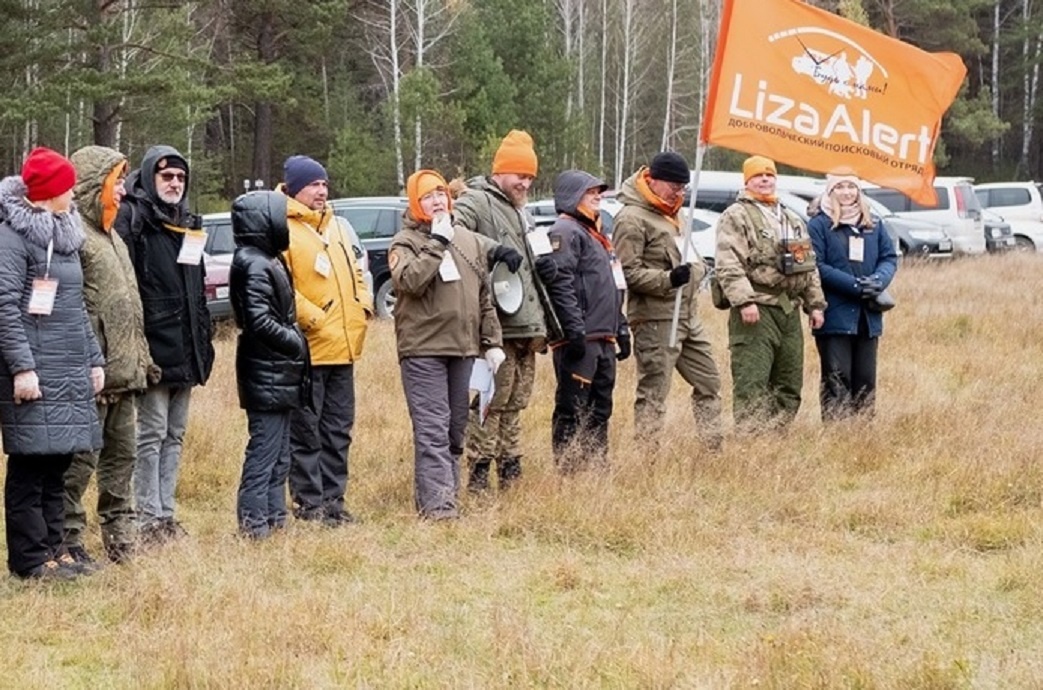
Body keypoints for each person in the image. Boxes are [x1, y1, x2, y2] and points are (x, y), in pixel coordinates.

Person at [0, 147, 105, 580]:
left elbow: (75, 307)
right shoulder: (11, 238)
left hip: (67, 369)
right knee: (30, 464)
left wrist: (94, 360)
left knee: (57, 462)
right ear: (46, 194)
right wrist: (22, 368)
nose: (74, 194)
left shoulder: (65, 235)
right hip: (35, 373)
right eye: (67, 187)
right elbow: (4, 307)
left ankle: (54, 549)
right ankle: (29, 560)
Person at [389, 170, 504, 519]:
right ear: (415, 202)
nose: (437, 200)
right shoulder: (404, 242)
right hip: (423, 349)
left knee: (455, 429)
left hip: (464, 348)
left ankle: (444, 497)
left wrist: (493, 342)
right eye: (428, 196)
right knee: (432, 429)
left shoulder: (466, 240)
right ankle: (439, 510)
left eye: (441, 193)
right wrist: (436, 243)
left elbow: (483, 295)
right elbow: (409, 281)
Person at [116, 145, 215, 543]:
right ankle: (146, 518)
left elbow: (197, 289)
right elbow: (125, 290)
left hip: (186, 347)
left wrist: (203, 342)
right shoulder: (135, 221)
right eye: (166, 177)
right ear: (150, 178)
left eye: (180, 177)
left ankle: (166, 516)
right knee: (151, 434)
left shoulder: (188, 223)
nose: (174, 183)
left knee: (175, 435)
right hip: (154, 348)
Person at [63, 146, 151, 567]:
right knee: (79, 465)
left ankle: (121, 538)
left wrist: (142, 359)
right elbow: (74, 309)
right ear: (93, 185)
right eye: (115, 181)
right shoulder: (72, 236)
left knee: (123, 463)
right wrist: (88, 362)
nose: (121, 190)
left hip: (126, 376)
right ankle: (67, 540)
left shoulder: (113, 235)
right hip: (93, 379)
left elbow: (130, 306)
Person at [280, 155, 372, 526]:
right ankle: (310, 505)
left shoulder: (335, 226)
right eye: (314, 184)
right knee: (307, 433)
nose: (321, 191)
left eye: (324, 184)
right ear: (295, 188)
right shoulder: (283, 226)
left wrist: (362, 303)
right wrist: (313, 318)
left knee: (337, 430)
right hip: (310, 349)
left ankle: (335, 501)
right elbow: (282, 286)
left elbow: (357, 269)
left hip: (344, 347)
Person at [455, 129, 547, 492]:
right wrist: (494, 249)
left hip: (524, 325)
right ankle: (479, 475)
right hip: (495, 326)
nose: (525, 183)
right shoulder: (477, 201)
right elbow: (453, 232)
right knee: (488, 401)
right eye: (519, 175)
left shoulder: (518, 211)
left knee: (514, 403)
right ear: (500, 172)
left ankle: (510, 470)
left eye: (529, 177)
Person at [613, 152, 722, 450]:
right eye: (674, 186)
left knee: (710, 382)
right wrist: (668, 280)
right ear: (654, 180)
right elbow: (627, 274)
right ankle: (647, 458)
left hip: (688, 316)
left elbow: (694, 258)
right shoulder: (631, 218)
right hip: (655, 319)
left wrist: (696, 271)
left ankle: (712, 451)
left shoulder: (675, 214)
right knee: (654, 392)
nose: (679, 193)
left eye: (683, 187)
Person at [715, 155, 826, 430]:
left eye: (769, 175)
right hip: (757, 308)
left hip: (788, 310)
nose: (765, 180)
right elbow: (728, 262)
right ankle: (751, 445)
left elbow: (807, 265)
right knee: (752, 381)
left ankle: (776, 441)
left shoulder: (789, 217)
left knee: (789, 383)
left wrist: (815, 304)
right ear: (747, 180)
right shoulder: (736, 215)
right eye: (758, 176)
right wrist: (744, 301)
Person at [534, 170, 629, 472]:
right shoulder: (566, 231)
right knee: (572, 407)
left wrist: (621, 326)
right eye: (591, 192)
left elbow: (613, 286)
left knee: (601, 408)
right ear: (573, 196)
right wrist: (572, 329)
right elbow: (560, 284)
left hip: (603, 336)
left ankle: (596, 468)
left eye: (599, 192)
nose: (597, 196)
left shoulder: (597, 235)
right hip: (581, 338)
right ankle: (569, 470)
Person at [229, 191, 310, 538]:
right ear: (264, 220)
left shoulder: (265, 258)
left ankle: (275, 520)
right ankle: (254, 526)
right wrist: (295, 342)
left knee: (279, 454)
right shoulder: (254, 262)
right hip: (268, 370)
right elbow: (258, 320)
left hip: (277, 371)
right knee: (264, 451)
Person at [807, 173, 898, 420]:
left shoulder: (873, 224)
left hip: (868, 316)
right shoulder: (818, 224)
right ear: (830, 191)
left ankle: (862, 439)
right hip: (835, 314)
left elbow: (889, 257)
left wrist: (878, 281)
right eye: (840, 187)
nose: (847, 192)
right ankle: (837, 436)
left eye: (852, 187)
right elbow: (818, 265)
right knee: (837, 379)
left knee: (866, 381)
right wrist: (855, 285)